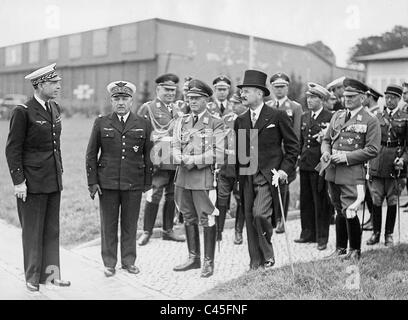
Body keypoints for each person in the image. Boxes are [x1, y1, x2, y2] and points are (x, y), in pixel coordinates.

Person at [5, 63, 70, 291]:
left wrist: (59, 173)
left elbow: (56, 146)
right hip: (31, 183)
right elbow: (13, 149)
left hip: (52, 180)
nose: (58, 86)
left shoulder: (54, 108)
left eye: (58, 82)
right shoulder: (23, 111)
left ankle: (51, 276)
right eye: (54, 83)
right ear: (40, 84)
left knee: (52, 230)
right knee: (33, 231)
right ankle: (32, 277)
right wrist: (19, 182)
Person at [86, 80, 153, 277]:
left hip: (133, 182)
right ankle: (109, 263)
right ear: (112, 101)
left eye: (124, 98)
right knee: (108, 224)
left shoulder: (143, 123)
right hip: (107, 182)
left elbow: (149, 155)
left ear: (131, 101)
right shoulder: (101, 122)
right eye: (117, 99)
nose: (121, 102)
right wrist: (92, 182)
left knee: (130, 224)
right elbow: (91, 154)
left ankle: (128, 261)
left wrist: (147, 183)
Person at [235, 70, 299, 270]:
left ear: (260, 94)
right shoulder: (241, 120)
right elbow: (239, 153)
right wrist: (236, 181)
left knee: (260, 215)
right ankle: (255, 262)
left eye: (247, 91)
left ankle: (268, 254)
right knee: (249, 216)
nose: (242, 95)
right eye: (242, 92)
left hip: (268, 177)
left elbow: (292, 147)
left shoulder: (277, 116)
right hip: (247, 177)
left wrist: (284, 171)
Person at [321, 78, 381, 261]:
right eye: (345, 95)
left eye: (351, 96)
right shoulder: (337, 115)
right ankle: (340, 249)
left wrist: (347, 157)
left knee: (350, 209)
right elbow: (326, 140)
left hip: (353, 172)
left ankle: (354, 251)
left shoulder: (370, 120)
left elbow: (373, 149)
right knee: (338, 209)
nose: (346, 99)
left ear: (362, 98)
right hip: (332, 170)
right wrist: (325, 152)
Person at [172, 79, 224, 278]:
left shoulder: (215, 122)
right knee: (187, 215)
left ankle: (208, 262)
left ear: (206, 100)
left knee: (206, 216)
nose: (191, 101)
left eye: (196, 98)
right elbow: (176, 145)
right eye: (189, 98)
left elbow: (219, 153)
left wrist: (193, 160)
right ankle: (193, 257)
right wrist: (177, 156)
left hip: (202, 176)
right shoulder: (181, 121)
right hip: (183, 177)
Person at [137, 73, 186, 246]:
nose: (171, 93)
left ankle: (168, 230)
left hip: (175, 161)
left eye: (173, 90)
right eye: (167, 89)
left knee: (172, 195)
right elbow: (139, 135)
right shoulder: (148, 108)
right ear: (158, 89)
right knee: (154, 194)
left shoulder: (177, 110)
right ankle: (147, 231)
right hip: (157, 160)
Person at [366, 85, 407, 247]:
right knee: (376, 198)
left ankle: (388, 234)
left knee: (392, 199)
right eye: (387, 97)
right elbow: (369, 140)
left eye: (393, 98)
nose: (389, 100)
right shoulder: (376, 116)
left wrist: (403, 159)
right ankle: (376, 233)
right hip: (378, 159)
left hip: (395, 161)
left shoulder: (405, 117)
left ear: (399, 99)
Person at [295, 82, 333, 250]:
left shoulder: (329, 117)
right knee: (306, 200)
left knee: (321, 201)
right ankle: (307, 233)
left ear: (322, 99)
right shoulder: (304, 116)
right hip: (305, 164)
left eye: (313, 97)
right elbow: (301, 141)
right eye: (308, 97)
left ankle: (322, 237)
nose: (309, 101)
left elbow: (332, 142)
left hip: (320, 165)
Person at [267, 72, 302, 234]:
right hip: (269, 154)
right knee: (269, 186)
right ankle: (272, 217)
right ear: (271, 88)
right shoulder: (267, 105)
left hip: (285, 153)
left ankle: (281, 219)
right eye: (276, 87)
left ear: (287, 87)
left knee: (283, 186)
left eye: (282, 87)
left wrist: (293, 157)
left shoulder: (294, 107)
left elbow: (295, 135)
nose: (279, 90)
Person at [215, 92, 248, 243]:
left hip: (242, 167)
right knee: (221, 198)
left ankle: (238, 231)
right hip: (225, 166)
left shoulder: (250, 120)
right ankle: (218, 231)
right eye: (232, 103)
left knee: (241, 199)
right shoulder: (226, 119)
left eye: (236, 103)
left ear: (244, 104)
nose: (232, 106)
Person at [361, 86, 383, 231]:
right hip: (365, 159)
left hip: (373, 159)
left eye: (366, 96)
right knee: (367, 190)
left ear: (370, 97)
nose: (364, 99)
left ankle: (374, 220)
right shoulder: (369, 113)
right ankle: (371, 218)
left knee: (371, 191)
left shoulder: (377, 115)